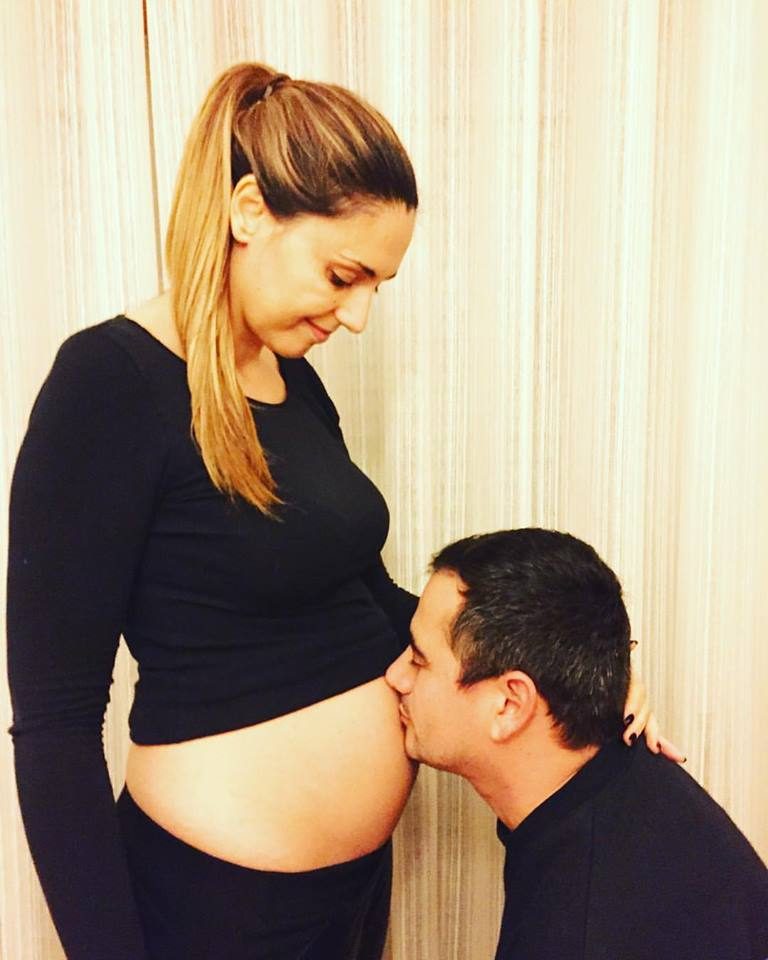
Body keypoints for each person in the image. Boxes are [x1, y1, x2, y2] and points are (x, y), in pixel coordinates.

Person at [7, 63, 659, 960]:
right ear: (248, 211)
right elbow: (55, 722)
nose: (356, 317)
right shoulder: (108, 384)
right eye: (344, 275)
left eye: (376, 287)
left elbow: (369, 601)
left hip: (349, 893)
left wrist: (566, 676)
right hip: (215, 909)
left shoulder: (296, 384)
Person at [385, 529, 768, 960]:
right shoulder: (620, 775)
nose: (396, 676)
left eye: (418, 659)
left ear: (510, 704)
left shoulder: (581, 928)